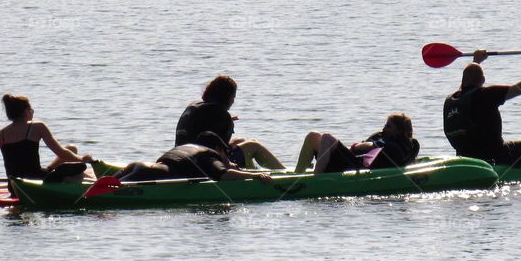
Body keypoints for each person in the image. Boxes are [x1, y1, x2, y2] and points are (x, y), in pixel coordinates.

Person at [0, 94, 94, 194]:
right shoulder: (37, 127)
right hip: (36, 181)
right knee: (78, 172)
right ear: (25, 112)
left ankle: (52, 170)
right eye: (30, 110)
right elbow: (60, 152)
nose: (32, 113)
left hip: (14, 186)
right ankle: (77, 178)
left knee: (71, 148)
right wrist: (82, 159)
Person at [174, 75, 285, 169]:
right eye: (233, 97)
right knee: (253, 146)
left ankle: (252, 172)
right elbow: (220, 153)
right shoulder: (221, 115)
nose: (233, 101)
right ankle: (285, 174)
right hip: (203, 165)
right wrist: (228, 123)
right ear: (226, 97)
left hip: (183, 158)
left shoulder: (194, 106)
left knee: (240, 140)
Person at [115, 132, 273, 183]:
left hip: (138, 165)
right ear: (218, 149)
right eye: (226, 152)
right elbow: (224, 174)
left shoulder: (188, 148)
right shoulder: (209, 156)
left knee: (100, 186)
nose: (227, 158)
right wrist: (255, 175)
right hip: (150, 174)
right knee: (106, 192)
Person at [294, 112, 420, 173]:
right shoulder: (382, 136)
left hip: (356, 167)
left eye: (388, 126)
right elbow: (358, 148)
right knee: (313, 136)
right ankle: (297, 174)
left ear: (398, 131)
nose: (384, 128)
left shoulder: (396, 146)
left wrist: (358, 146)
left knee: (327, 138)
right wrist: (355, 148)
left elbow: (368, 147)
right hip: (350, 160)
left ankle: (316, 180)